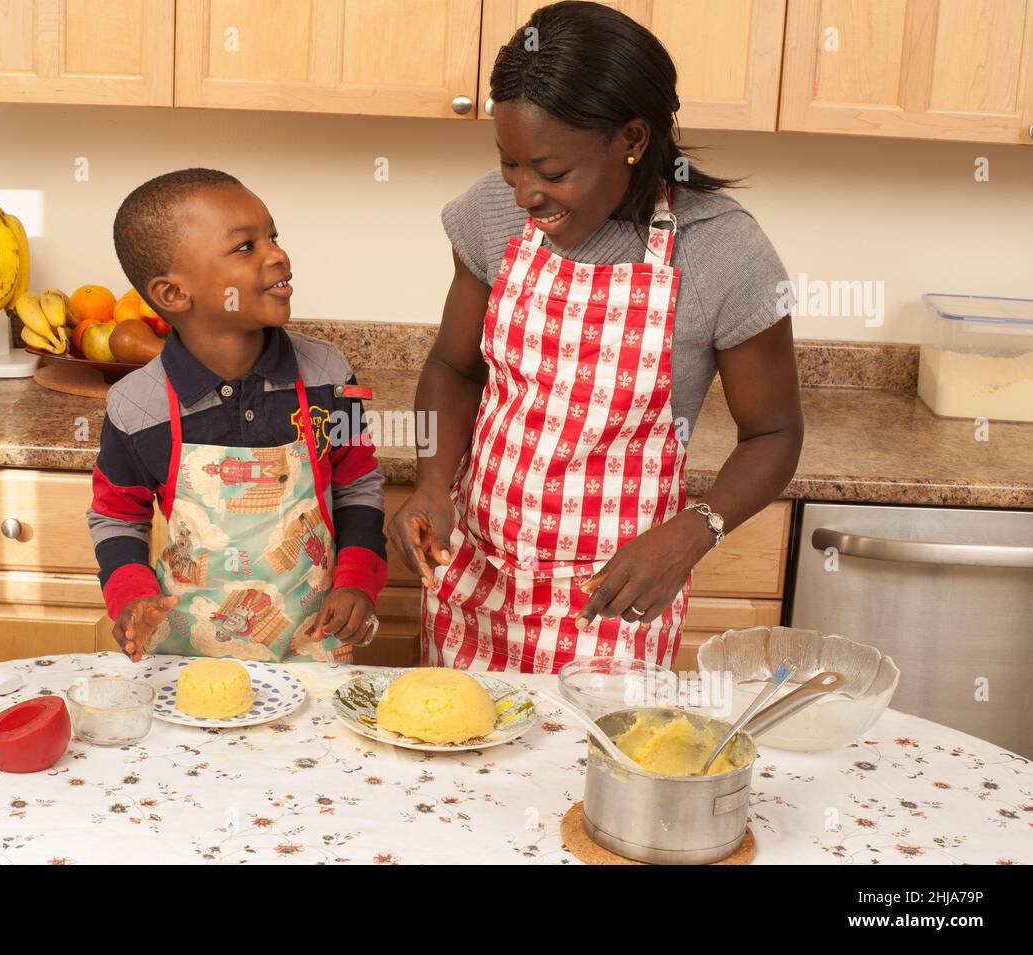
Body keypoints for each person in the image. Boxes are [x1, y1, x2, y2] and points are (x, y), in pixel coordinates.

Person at [387, 2, 804, 673]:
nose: (524, 192)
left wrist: (692, 532)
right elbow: (453, 367)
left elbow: (775, 434)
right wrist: (434, 481)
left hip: (617, 592)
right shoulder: (491, 214)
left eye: (551, 173)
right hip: (478, 574)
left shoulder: (721, 249)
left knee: (593, 772)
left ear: (631, 137)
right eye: (508, 164)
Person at [89, 168, 388, 663]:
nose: (277, 254)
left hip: (314, 647)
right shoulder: (136, 406)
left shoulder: (328, 375)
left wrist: (358, 583)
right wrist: (131, 597)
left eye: (273, 235)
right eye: (246, 247)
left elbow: (357, 484)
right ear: (173, 295)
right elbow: (117, 517)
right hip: (185, 657)